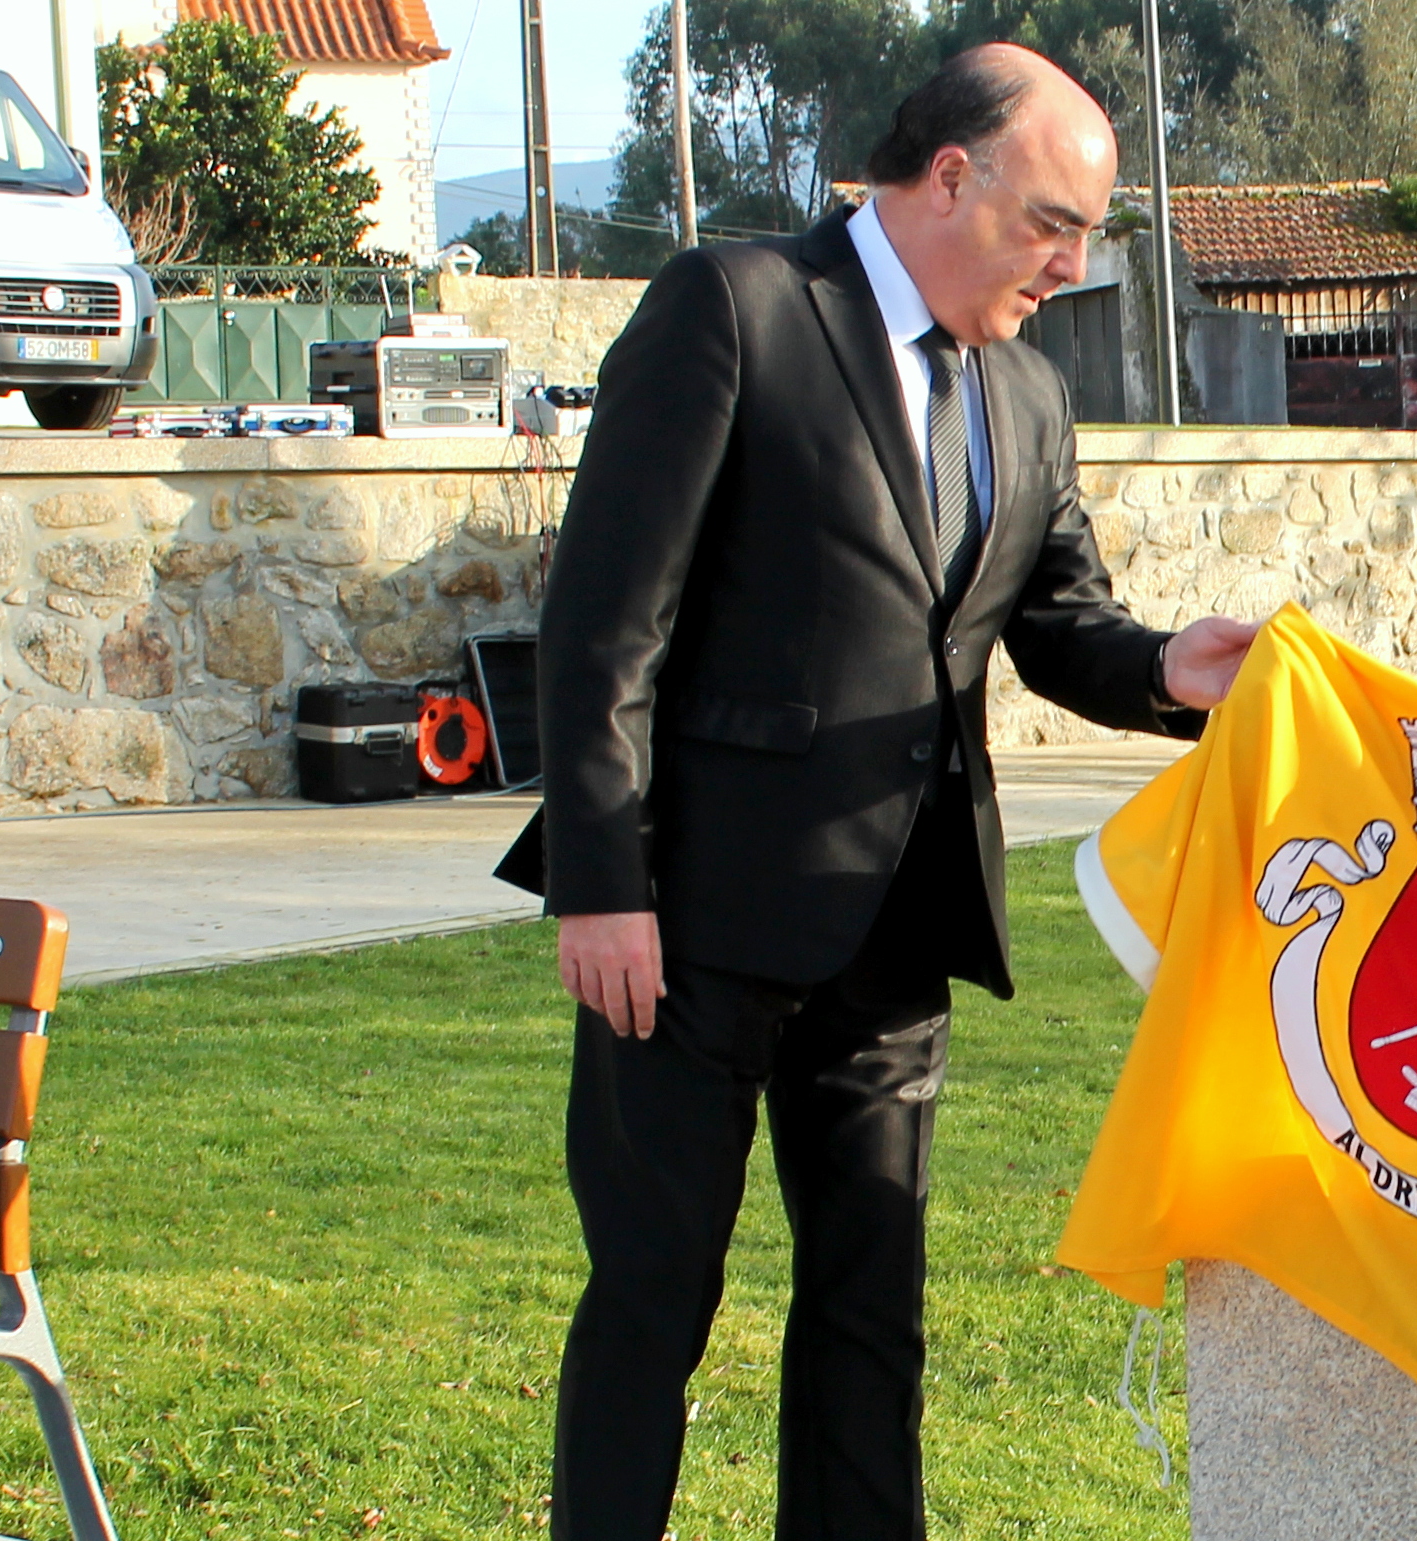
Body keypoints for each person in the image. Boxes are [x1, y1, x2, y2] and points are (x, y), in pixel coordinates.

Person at [496, 43, 1260, 1541]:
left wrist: (1174, 666)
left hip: (898, 941)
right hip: (687, 933)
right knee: (654, 1305)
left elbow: (1053, 623)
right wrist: (601, 885)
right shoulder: (737, 309)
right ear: (952, 176)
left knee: (871, 1324)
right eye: (1055, 222)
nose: (1074, 263)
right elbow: (603, 629)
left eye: (1090, 234)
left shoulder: (1032, 396)